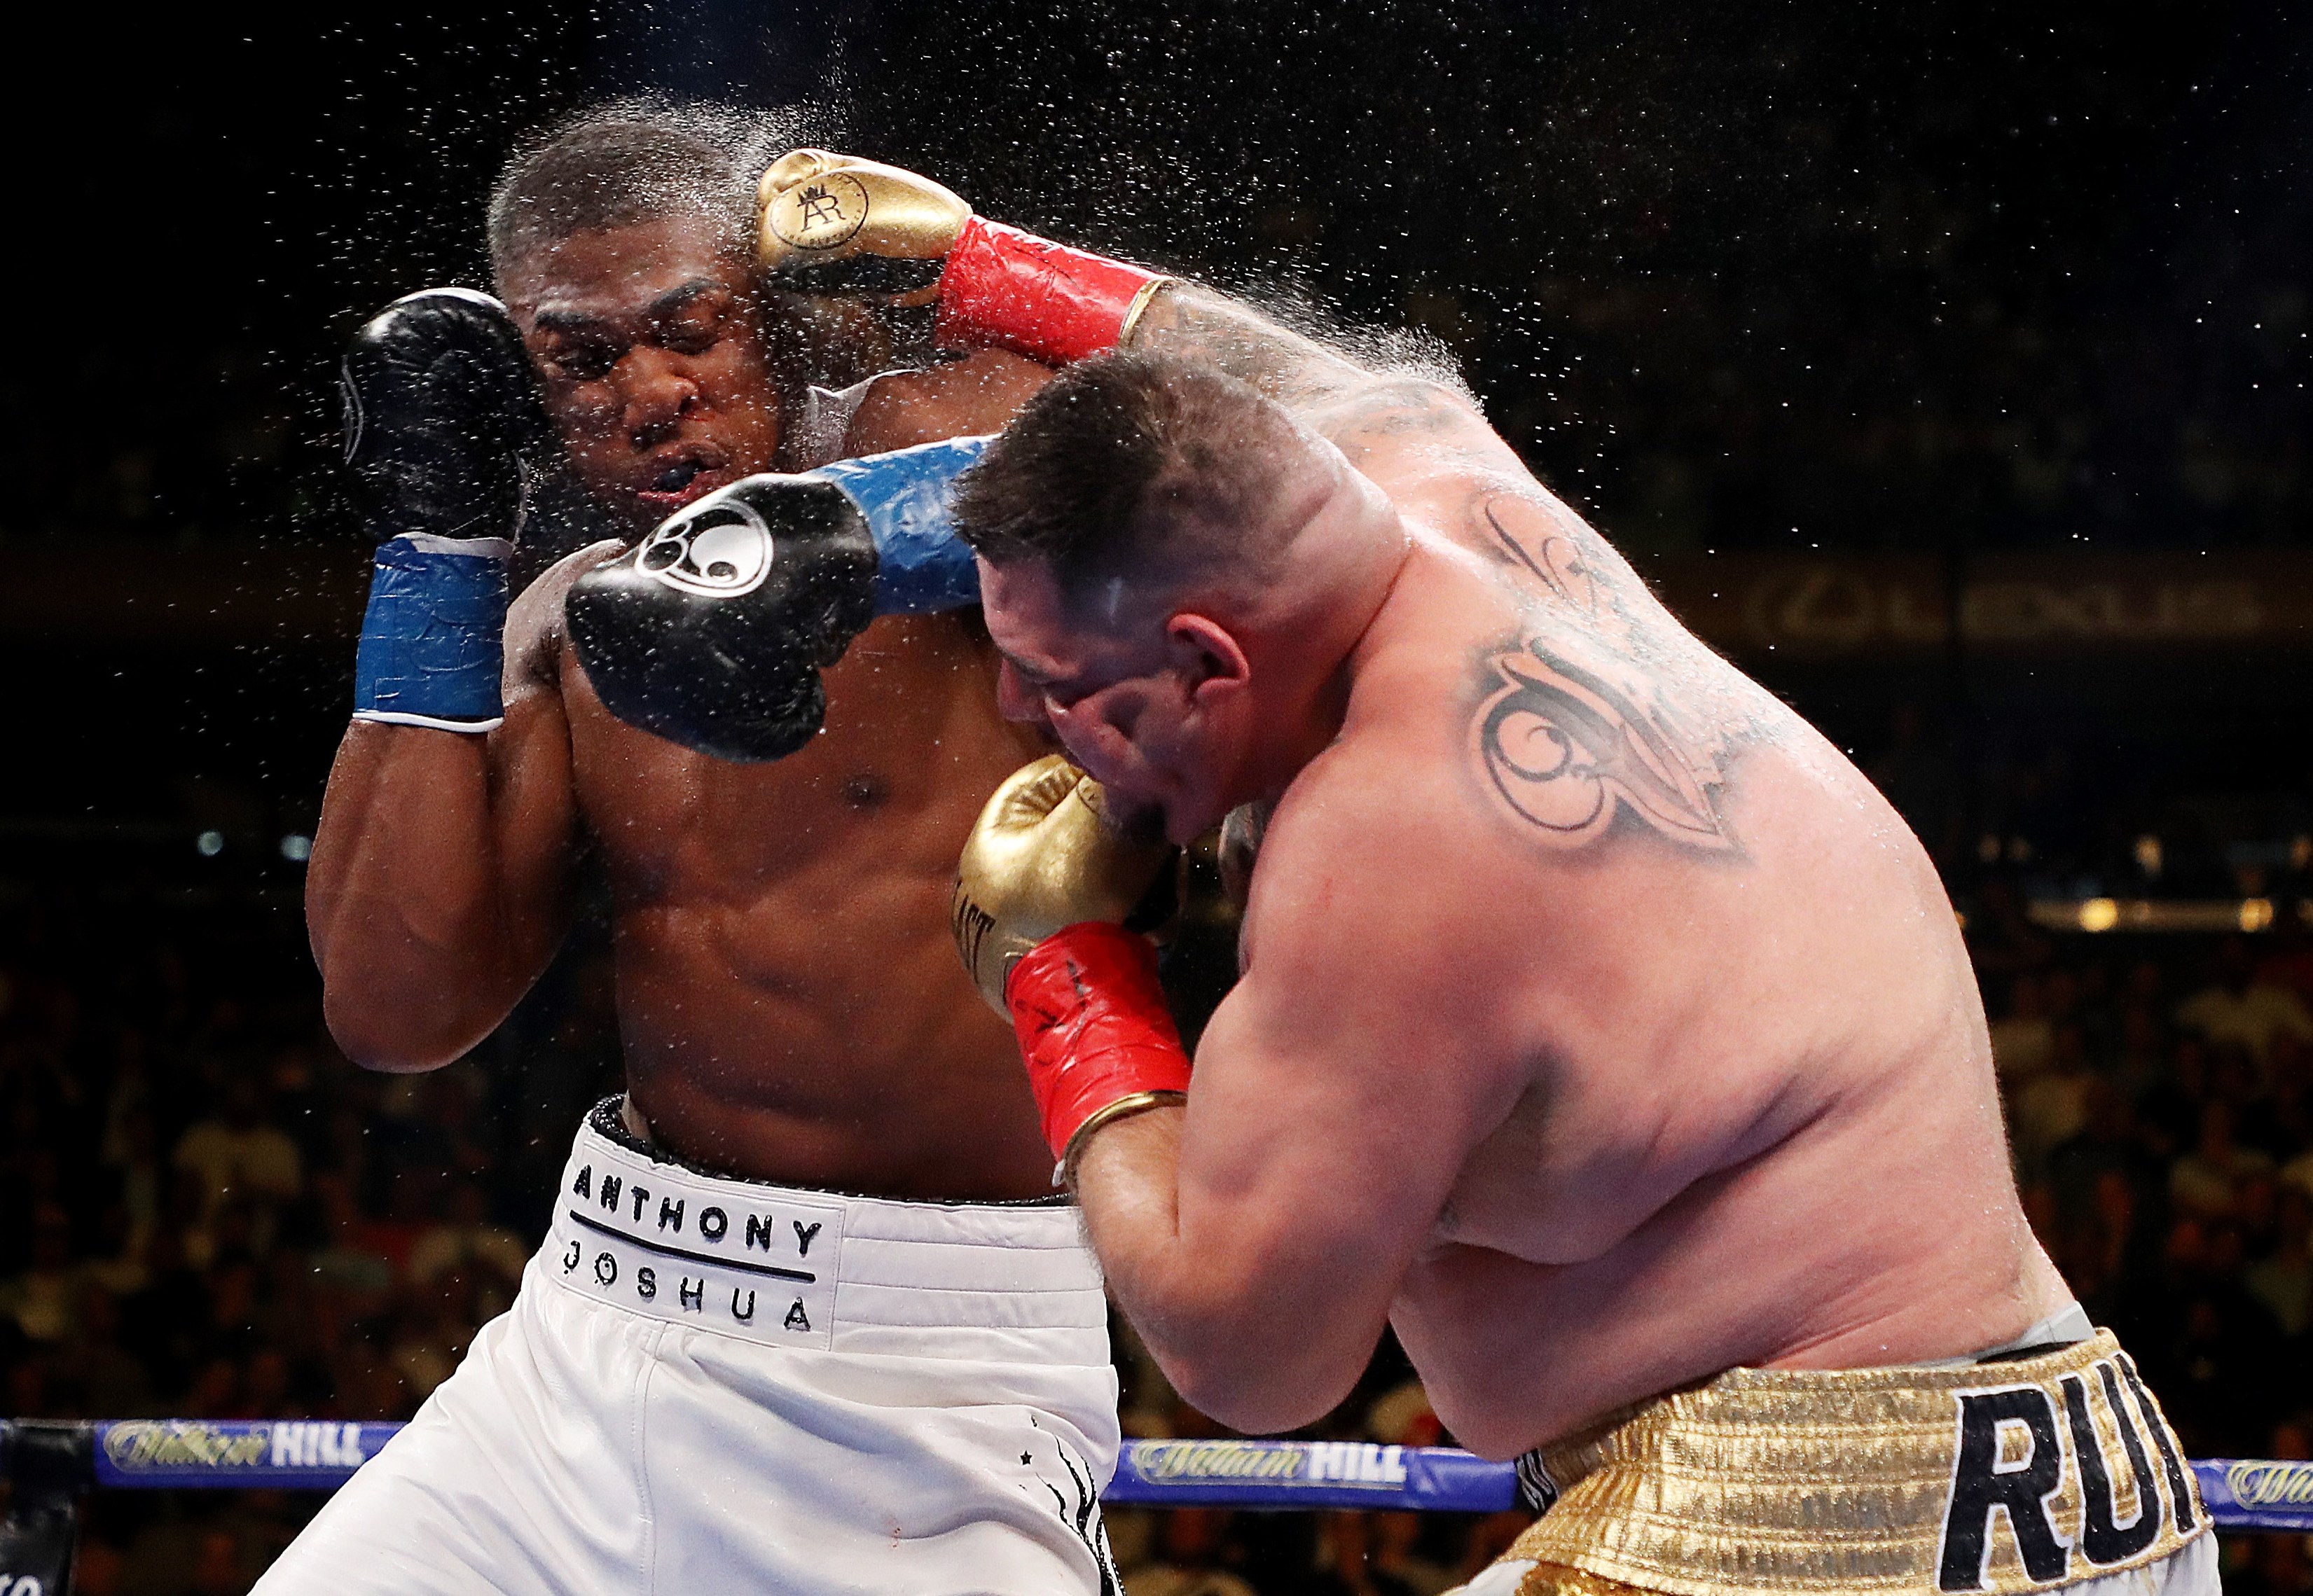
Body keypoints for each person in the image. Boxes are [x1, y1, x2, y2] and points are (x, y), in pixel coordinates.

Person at [787, 157, 2217, 1592]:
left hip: (1832, 1525)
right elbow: (1278, 370)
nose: (1023, 716)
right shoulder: (1431, 476)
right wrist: (979, 268)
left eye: (1059, 682)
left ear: (1209, 663)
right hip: (2068, 1474)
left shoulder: (1392, 848)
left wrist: (1068, 979)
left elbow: (1249, 1353)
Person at [277, 109, 1126, 1594]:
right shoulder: (566, 625)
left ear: (780, 316)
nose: (651, 394)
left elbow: (1263, 452)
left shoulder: (928, 442)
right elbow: (393, 1009)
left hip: (925, 1365)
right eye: (581, 362)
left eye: (691, 332)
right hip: (587, 1333)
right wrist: (438, 553)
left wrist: (892, 475)